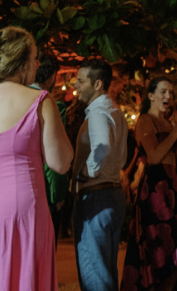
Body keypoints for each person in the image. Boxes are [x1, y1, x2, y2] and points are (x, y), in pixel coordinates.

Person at [0, 26, 73, 291]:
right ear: (21, 62)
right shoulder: (40, 100)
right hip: (25, 209)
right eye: (34, 58)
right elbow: (61, 162)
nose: (38, 64)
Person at [121, 76, 177, 291]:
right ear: (151, 96)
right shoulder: (145, 120)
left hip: (174, 187)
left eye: (171, 93)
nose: (169, 96)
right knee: (166, 253)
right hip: (156, 190)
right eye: (164, 92)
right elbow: (155, 156)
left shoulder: (170, 123)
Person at [72, 58, 128, 291]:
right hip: (111, 194)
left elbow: (102, 147)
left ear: (97, 84)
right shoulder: (114, 110)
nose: (75, 85)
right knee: (105, 270)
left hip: (96, 196)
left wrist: (85, 174)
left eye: (80, 81)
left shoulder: (97, 111)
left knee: (94, 272)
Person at [30, 52, 69, 240]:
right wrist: (58, 193)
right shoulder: (50, 103)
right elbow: (55, 156)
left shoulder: (9, 99)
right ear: (53, 75)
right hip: (42, 188)